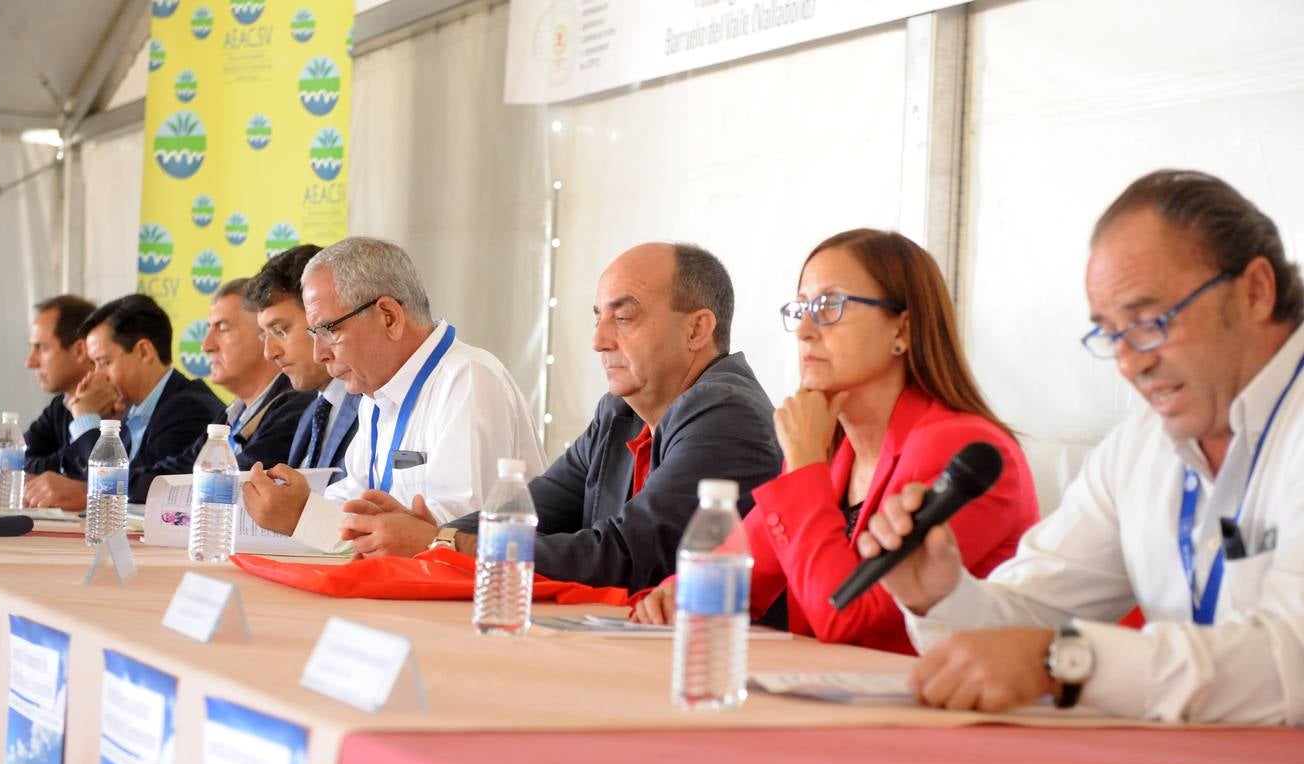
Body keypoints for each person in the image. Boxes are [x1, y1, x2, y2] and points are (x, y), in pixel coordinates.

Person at [859, 170, 1304, 724]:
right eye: (1111, 334)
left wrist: (1067, 661)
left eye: (1149, 322)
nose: (1129, 363)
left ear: (1256, 291)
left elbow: (1292, 664)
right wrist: (941, 596)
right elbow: (1034, 611)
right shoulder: (1141, 445)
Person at [631, 230, 1040, 652]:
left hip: (936, 707)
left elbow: (847, 617)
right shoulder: (833, 447)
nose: (805, 330)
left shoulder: (959, 449)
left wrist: (805, 465)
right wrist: (679, 591)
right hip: (836, 696)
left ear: (903, 327)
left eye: (829, 306)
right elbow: (738, 574)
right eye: (802, 308)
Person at [335, 242, 782, 593]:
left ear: (697, 329)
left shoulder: (726, 412)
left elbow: (626, 557)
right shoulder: (619, 413)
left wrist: (439, 545)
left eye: (623, 317)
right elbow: (533, 509)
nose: (599, 340)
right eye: (598, 318)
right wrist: (428, 533)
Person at [241, 236, 544, 548]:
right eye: (313, 334)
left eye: (328, 331)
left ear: (389, 316)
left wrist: (306, 517)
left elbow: (457, 531)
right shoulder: (375, 397)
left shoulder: (468, 379)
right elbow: (354, 499)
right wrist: (298, 507)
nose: (320, 354)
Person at [22, 294, 224, 509]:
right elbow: (79, 479)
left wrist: (85, 416)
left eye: (104, 362)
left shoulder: (188, 410)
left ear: (143, 352)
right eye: (94, 363)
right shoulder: (130, 411)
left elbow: (127, 488)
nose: (96, 376)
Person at [134, 279, 314, 498]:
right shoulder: (231, 415)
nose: (206, 345)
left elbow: (230, 487)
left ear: (265, 334)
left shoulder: (296, 408)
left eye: (222, 328)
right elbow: (176, 473)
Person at [244, 245, 360, 482]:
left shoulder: (371, 405)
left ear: (317, 317)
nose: (269, 353)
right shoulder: (311, 414)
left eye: (280, 330)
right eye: (265, 335)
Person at [18, 294, 96, 477]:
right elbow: (16, 458)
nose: (30, 362)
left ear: (80, 350)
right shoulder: (60, 405)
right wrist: (63, 463)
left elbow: (99, 472)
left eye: (42, 348)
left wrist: (57, 465)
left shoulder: (116, 406)